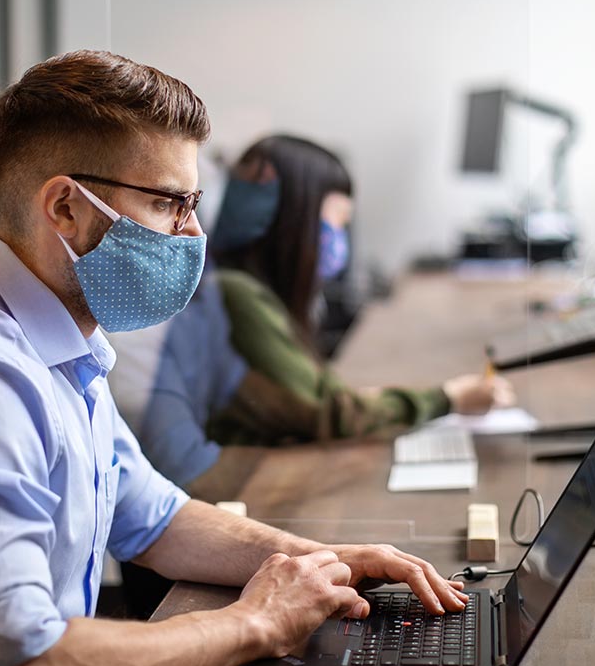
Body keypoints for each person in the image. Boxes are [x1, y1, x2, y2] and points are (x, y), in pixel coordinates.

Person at [0, 51, 467, 666]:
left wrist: (322, 562)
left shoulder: (64, 348)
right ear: (64, 208)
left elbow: (156, 519)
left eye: (192, 204)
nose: (193, 234)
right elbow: (18, 658)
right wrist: (259, 623)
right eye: (166, 203)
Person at [209, 134, 514, 444]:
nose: (340, 237)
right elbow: (330, 412)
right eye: (338, 221)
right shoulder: (235, 294)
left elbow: (322, 393)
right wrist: (449, 398)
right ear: (294, 219)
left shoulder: (252, 290)